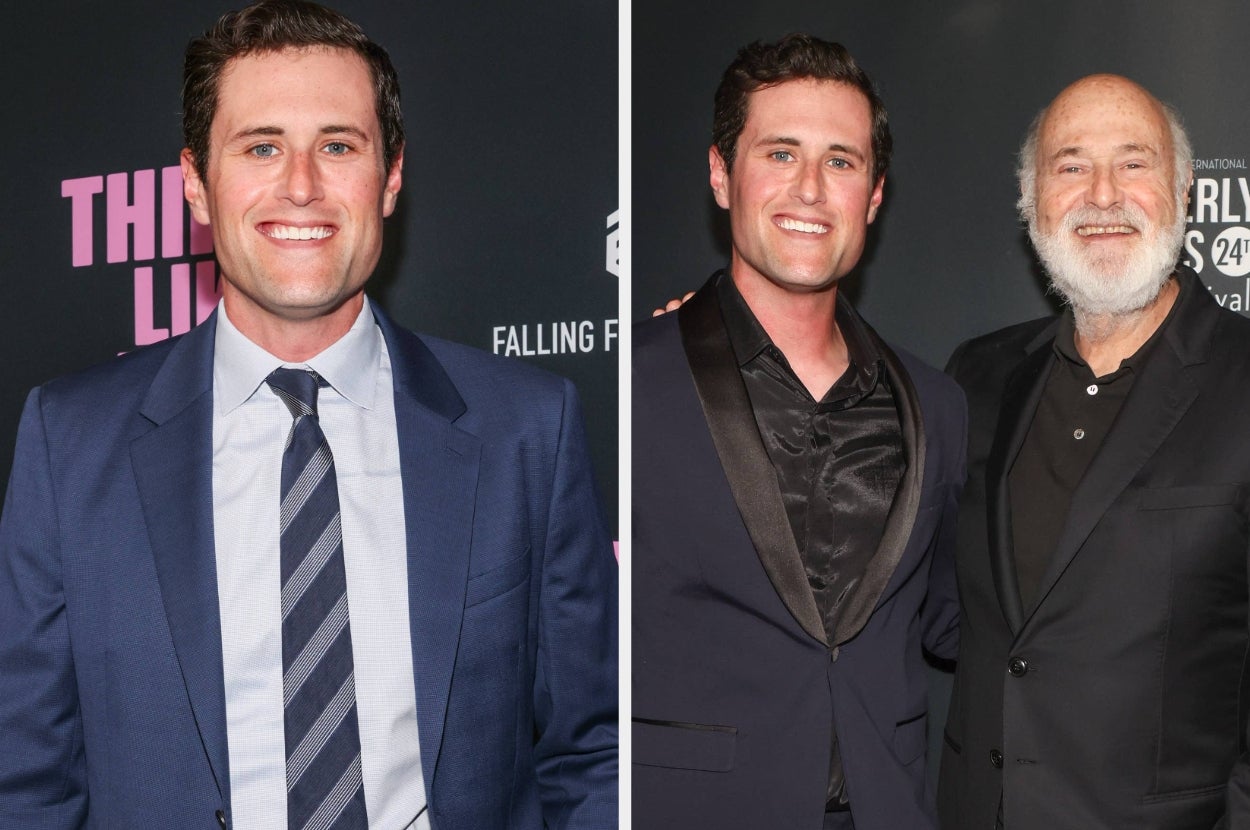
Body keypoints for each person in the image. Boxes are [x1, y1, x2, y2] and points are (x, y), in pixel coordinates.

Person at [0, 2, 617, 828]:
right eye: (261, 147)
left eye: (338, 146)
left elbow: (593, 749)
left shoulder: (527, 430)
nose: (300, 185)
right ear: (195, 184)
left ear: (390, 179)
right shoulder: (69, 441)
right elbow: (27, 781)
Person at [633, 34, 966, 830]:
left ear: (874, 196)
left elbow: (960, 620)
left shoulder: (938, 403)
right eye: (780, 154)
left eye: (840, 161)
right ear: (722, 175)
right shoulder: (631, 383)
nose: (810, 189)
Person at [938, 74, 1250, 830]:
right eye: (1071, 165)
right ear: (1031, 201)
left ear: (1183, 192)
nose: (1103, 195)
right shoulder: (975, 376)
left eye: (1134, 163)